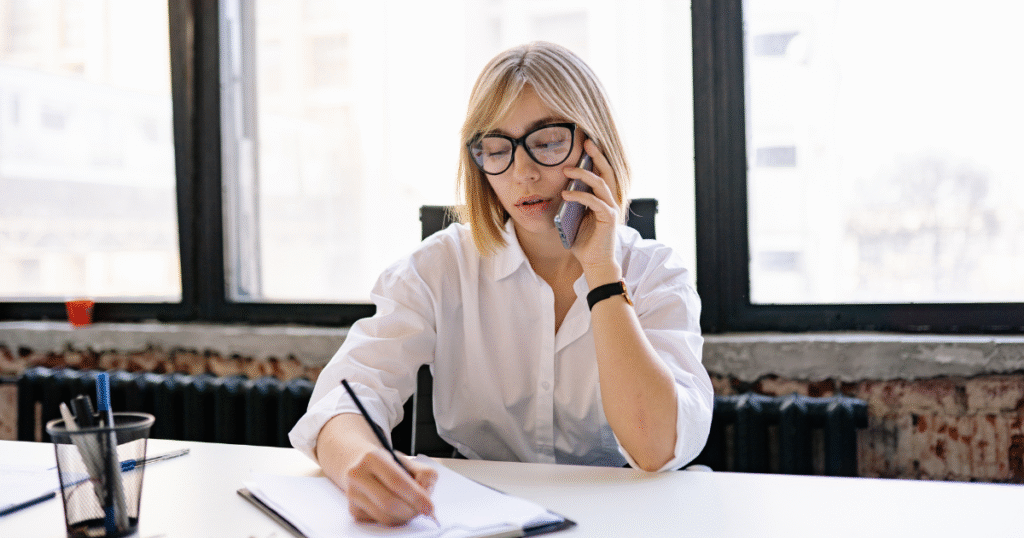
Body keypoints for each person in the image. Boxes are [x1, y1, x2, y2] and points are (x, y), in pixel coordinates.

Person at [289, 41, 713, 527]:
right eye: (496, 149)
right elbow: (343, 398)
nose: (522, 173)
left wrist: (601, 273)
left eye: (548, 141)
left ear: (595, 150)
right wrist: (359, 464)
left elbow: (656, 447)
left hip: (620, 518)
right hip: (474, 519)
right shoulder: (440, 266)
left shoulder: (655, 273)